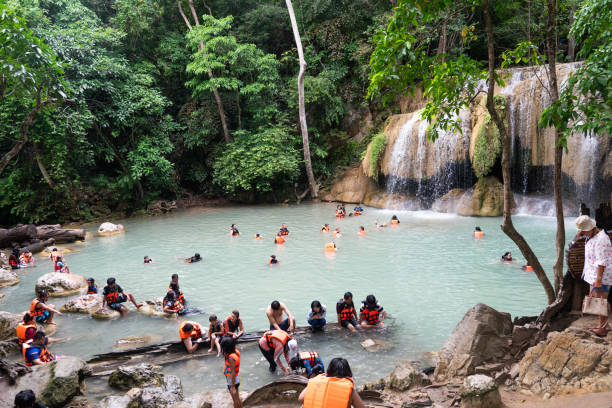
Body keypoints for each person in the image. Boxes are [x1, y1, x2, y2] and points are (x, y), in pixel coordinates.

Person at [576, 215, 612, 337]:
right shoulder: (593, 236)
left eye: (584, 231)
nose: (583, 233)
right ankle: (604, 325)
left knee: (601, 301)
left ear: (592, 228)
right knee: (599, 301)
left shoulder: (601, 239)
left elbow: (602, 262)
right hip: (594, 275)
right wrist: (582, 235)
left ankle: (603, 328)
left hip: (601, 276)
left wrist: (599, 279)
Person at [298, 357, 365, 408]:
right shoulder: (349, 389)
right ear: (347, 372)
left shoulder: (316, 381)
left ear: (329, 370)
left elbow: (300, 398)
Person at [221, 336, 242, 408]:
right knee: (237, 398)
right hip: (236, 378)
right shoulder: (235, 351)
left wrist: (232, 387)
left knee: (235, 400)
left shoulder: (230, 358)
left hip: (232, 381)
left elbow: (233, 372)